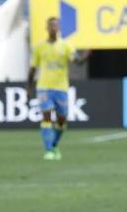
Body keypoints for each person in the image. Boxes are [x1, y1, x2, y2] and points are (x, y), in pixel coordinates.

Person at [27, 17, 91, 160]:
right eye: (51, 26)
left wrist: (86, 55)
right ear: (47, 28)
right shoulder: (39, 47)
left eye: (55, 26)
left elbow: (78, 62)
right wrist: (28, 87)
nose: (53, 28)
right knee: (47, 115)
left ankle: (54, 144)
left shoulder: (66, 46)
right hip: (44, 87)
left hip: (61, 88)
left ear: (59, 28)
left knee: (62, 120)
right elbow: (32, 69)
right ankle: (48, 150)